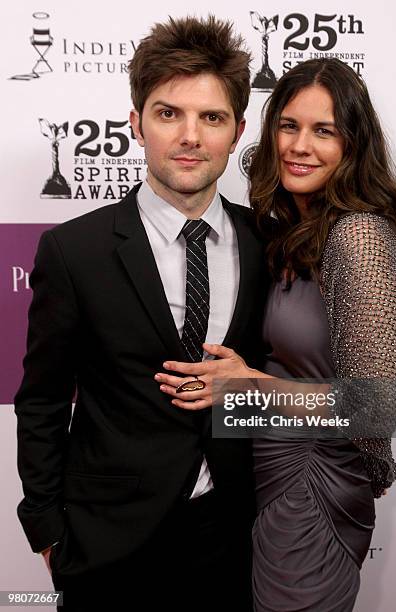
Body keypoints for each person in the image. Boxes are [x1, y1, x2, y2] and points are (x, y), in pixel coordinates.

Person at [15, 15, 268, 612]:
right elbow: (43, 399)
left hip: (234, 535)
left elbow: (320, 391)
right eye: (168, 113)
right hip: (107, 541)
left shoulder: (270, 244)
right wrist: (48, 528)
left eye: (211, 117)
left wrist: (253, 391)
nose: (190, 136)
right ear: (136, 124)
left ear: (236, 132)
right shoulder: (73, 250)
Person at [155, 58, 396, 611]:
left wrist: (246, 385)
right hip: (266, 475)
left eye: (324, 131)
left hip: (312, 485)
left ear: (353, 143)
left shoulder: (360, 236)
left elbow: (373, 408)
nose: (300, 146)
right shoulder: (290, 231)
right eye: (289, 126)